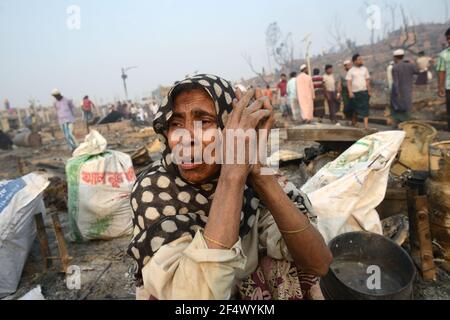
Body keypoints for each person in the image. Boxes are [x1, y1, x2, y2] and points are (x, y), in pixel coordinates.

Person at [127, 74, 332, 300]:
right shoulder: (155, 188)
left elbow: (319, 263)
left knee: (288, 260)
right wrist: (231, 175)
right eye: (176, 124)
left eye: (204, 122)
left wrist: (260, 176)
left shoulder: (252, 181)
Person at [390, 49, 420, 127]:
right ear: (403, 56)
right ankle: (407, 127)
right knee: (407, 110)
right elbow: (418, 71)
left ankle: (398, 126)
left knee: (397, 111)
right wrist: (413, 63)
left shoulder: (395, 67)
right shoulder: (410, 66)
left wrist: (397, 94)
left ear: (395, 57)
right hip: (408, 92)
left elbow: (395, 82)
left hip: (398, 93)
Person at [346, 54, 371, 129]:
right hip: (355, 93)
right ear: (354, 61)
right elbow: (349, 82)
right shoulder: (351, 71)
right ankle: (354, 122)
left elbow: (367, 80)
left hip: (364, 91)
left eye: (361, 59)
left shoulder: (365, 69)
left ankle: (366, 126)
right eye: (359, 59)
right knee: (355, 109)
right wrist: (350, 92)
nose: (361, 61)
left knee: (365, 108)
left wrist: (369, 90)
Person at [437, 28, 450, 131]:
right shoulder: (443, 55)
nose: (449, 41)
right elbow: (441, 71)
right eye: (448, 39)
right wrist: (440, 87)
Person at [338, 60, 353, 125]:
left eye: (350, 65)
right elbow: (339, 84)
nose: (349, 66)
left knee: (353, 106)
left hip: (353, 90)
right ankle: (347, 119)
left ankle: (353, 120)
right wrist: (338, 93)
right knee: (346, 106)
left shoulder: (353, 73)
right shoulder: (342, 74)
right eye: (347, 65)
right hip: (344, 92)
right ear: (345, 66)